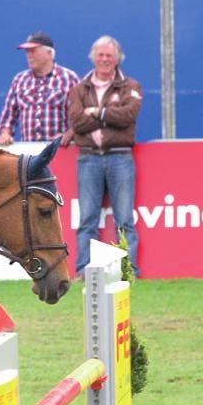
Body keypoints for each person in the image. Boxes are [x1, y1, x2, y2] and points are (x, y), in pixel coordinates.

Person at [68, 35, 143, 277]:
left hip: (120, 157)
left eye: (109, 55)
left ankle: (127, 270)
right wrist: (109, 116)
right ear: (93, 57)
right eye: (100, 55)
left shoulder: (131, 86)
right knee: (87, 219)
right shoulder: (80, 88)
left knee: (124, 220)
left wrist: (97, 113)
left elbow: (128, 117)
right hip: (88, 158)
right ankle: (83, 270)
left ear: (117, 58)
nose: (104, 60)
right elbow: (77, 122)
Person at [0, 31, 79, 146]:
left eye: (33, 51)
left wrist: (69, 134)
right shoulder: (19, 80)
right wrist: (5, 133)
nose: (29, 55)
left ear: (49, 53)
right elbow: (8, 117)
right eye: (27, 51)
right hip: (28, 154)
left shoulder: (68, 78)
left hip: (59, 151)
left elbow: (81, 116)